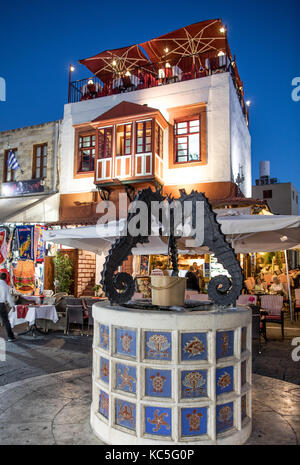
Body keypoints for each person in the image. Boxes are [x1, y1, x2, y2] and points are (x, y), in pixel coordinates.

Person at [0, 272, 16, 342]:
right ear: (6, 278)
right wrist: (12, 306)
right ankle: (10, 337)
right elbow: (9, 298)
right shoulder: (6, 286)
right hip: (1, 305)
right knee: (6, 321)